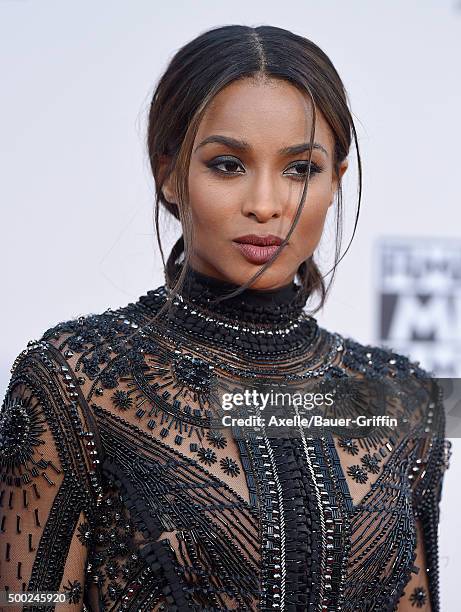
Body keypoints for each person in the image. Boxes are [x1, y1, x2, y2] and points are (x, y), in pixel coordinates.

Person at [0, 24, 452, 612]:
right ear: (169, 172)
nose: (266, 204)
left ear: (335, 181)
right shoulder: (76, 381)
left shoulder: (405, 398)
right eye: (228, 164)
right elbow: (26, 599)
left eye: (300, 169)